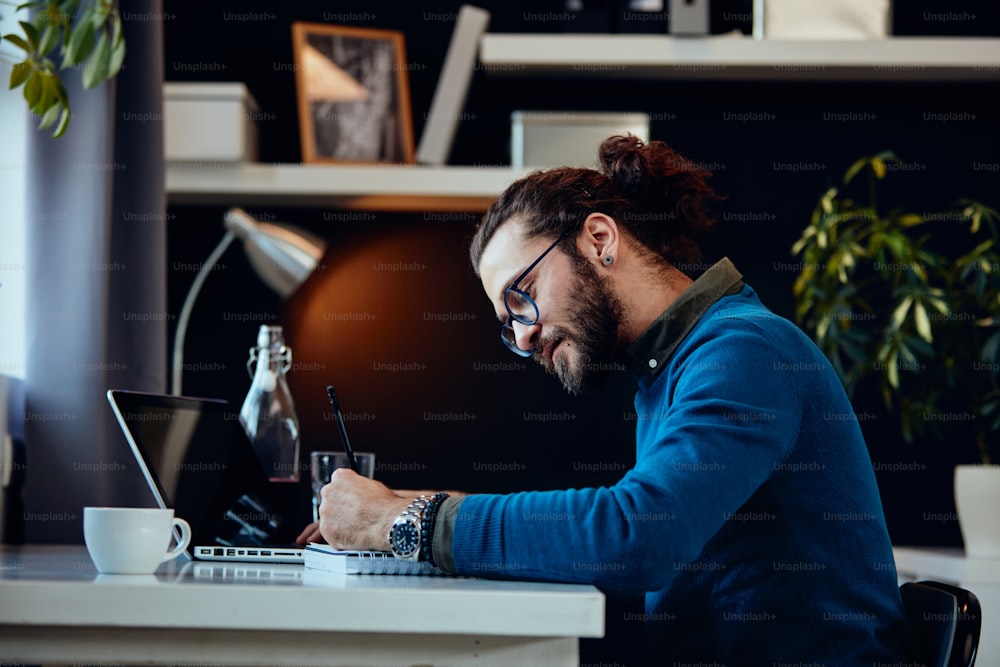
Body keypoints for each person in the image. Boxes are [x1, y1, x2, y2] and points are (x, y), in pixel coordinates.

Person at [297, 135, 912, 664]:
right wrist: (401, 505)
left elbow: (638, 534)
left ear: (598, 239)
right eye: (507, 323)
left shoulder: (745, 352)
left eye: (523, 294)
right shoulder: (670, 370)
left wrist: (400, 523)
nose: (524, 334)